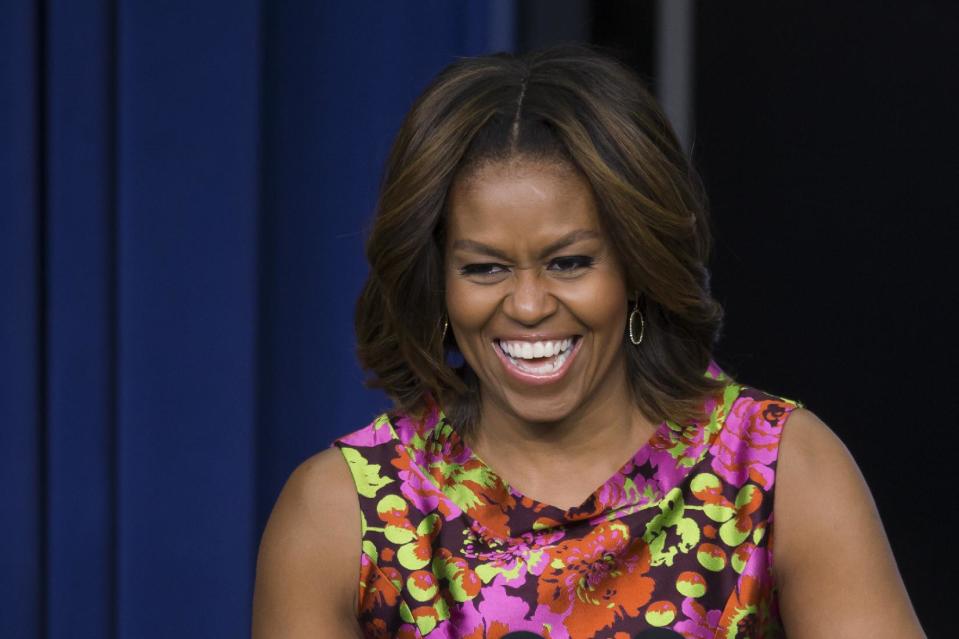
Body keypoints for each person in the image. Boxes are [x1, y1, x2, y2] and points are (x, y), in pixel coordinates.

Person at [251, 46, 924, 639]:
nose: (528, 304)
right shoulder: (343, 511)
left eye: (569, 262)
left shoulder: (775, 469)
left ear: (637, 266)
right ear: (438, 283)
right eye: (484, 268)